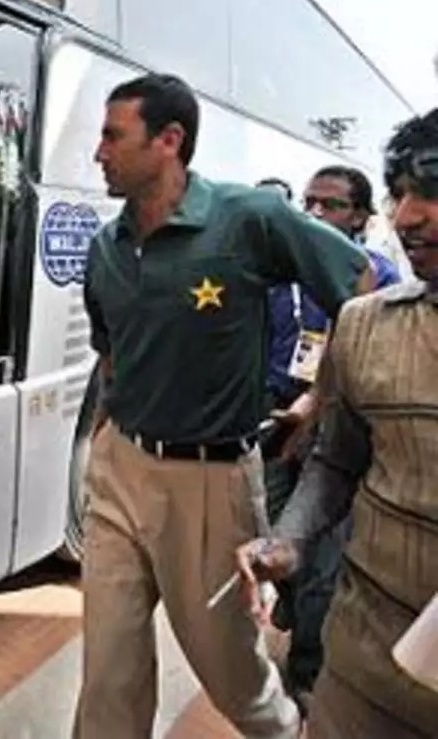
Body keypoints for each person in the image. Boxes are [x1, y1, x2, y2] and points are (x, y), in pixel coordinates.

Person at [76, 74, 374, 739]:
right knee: (107, 667)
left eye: (111, 135)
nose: (98, 152)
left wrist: (318, 399)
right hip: (120, 467)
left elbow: (358, 287)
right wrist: (102, 441)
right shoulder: (105, 248)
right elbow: (111, 352)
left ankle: (286, 732)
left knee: (230, 670)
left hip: (211, 483)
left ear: (169, 141)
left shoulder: (249, 219)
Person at [237, 108, 438, 738]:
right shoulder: (366, 324)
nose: (408, 217)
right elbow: (336, 462)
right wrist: (288, 540)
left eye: (431, 195)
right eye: (400, 194)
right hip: (362, 668)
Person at [260, 166, 401, 702]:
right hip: (276, 423)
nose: (316, 214)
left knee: (321, 565)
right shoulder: (279, 276)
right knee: (269, 530)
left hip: (337, 429)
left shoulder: (381, 283)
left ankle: (306, 681)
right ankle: (293, 600)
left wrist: (318, 408)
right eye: (310, 203)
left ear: (362, 217)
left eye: (333, 206)